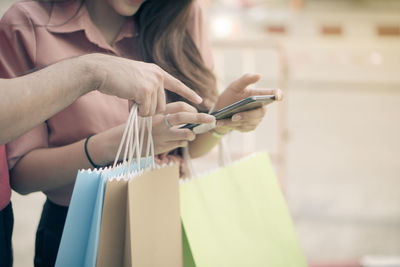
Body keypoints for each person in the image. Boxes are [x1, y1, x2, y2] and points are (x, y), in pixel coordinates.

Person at [0, 0, 282, 266]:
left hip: (173, 214)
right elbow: (23, 176)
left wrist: (222, 119)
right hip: (79, 227)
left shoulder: (180, 12)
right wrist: (121, 143)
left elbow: (189, 149)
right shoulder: (26, 25)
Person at [0, 53, 205, 267]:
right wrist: (93, 72)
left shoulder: (176, 23)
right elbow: (23, 176)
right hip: (77, 221)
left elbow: (193, 147)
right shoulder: (28, 29)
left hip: (167, 212)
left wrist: (220, 124)